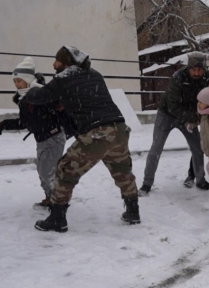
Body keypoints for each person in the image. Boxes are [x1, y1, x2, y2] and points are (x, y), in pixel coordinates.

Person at [24, 46, 140, 232]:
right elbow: (83, 96)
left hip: (97, 133)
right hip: (118, 128)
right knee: (122, 171)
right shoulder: (94, 74)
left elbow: (40, 97)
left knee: (65, 169)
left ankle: (57, 218)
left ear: (66, 62)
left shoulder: (64, 77)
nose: (54, 64)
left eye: (57, 60)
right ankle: (133, 212)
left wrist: (30, 89)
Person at [0, 57, 75, 210]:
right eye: (15, 81)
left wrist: (59, 104)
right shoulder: (23, 99)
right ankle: (51, 198)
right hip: (42, 139)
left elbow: (59, 102)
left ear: (28, 80)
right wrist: (4, 124)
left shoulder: (42, 94)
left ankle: (59, 204)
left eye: (19, 80)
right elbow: (24, 122)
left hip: (54, 136)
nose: (17, 84)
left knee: (46, 172)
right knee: (42, 172)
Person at [140, 52, 209, 196]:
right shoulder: (177, 78)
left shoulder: (208, 77)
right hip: (166, 114)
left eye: (200, 69)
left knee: (198, 148)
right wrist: (193, 117)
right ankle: (146, 184)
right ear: (188, 68)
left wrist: (206, 114)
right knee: (156, 149)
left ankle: (200, 180)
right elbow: (173, 105)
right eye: (194, 69)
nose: (197, 73)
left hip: (190, 116)